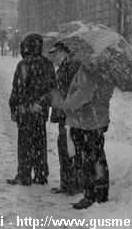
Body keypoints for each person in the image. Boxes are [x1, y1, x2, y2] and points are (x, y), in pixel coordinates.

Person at [7, 33, 56, 186]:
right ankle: (41, 174)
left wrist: (14, 106)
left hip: (25, 111)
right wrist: (42, 103)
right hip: (40, 112)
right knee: (40, 143)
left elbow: (18, 88)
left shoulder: (23, 65)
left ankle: (24, 174)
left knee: (25, 144)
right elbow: (52, 88)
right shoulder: (48, 64)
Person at [62, 66, 114, 209]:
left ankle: (90, 195)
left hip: (85, 121)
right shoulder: (109, 70)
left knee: (86, 160)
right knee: (98, 158)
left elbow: (84, 94)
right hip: (99, 120)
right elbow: (105, 94)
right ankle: (101, 193)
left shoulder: (88, 69)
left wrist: (67, 106)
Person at [48, 41, 81, 196]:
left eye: (56, 53)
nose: (54, 57)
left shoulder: (72, 67)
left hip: (69, 116)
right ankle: (66, 183)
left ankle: (72, 184)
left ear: (64, 52)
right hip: (63, 114)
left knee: (69, 150)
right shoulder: (64, 67)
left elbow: (73, 91)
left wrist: (63, 103)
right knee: (64, 149)